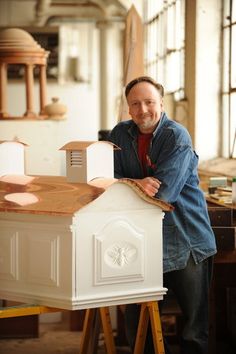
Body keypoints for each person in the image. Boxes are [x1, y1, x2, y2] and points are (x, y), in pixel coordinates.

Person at [109, 76, 217, 354]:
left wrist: (124, 183)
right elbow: (104, 179)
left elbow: (162, 194)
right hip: (140, 240)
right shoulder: (119, 135)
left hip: (186, 238)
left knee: (193, 328)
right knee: (139, 324)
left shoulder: (176, 135)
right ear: (128, 108)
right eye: (135, 104)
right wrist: (135, 183)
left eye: (149, 102)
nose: (143, 110)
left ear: (161, 103)